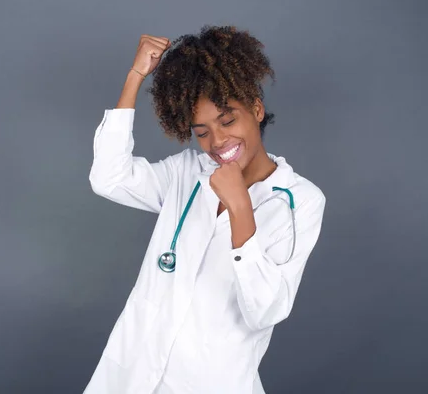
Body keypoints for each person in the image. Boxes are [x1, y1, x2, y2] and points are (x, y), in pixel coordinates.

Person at [83, 25, 326, 394]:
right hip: (132, 377)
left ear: (256, 109)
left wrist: (240, 207)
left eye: (228, 120)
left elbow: (265, 310)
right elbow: (109, 178)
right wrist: (135, 77)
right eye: (202, 132)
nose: (218, 141)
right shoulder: (187, 173)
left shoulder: (299, 201)